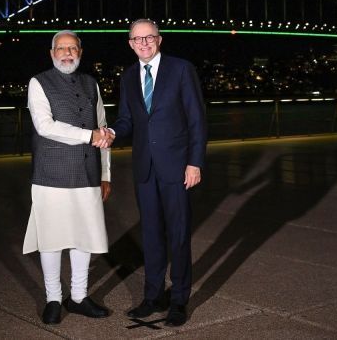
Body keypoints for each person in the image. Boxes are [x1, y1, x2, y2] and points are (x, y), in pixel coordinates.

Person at [108, 19, 207, 326]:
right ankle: (152, 296)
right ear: (130, 44)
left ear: (159, 39)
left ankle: (178, 299)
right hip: (145, 168)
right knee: (150, 235)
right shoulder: (127, 77)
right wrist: (111, 131)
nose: (144, 43)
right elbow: (127, 120)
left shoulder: (180, 69)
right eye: (138, 39)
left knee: (178, 235)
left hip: (177, 167)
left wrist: (195, 162)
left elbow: (196, 118)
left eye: (149, 37)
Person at [22, 30, 115, 325]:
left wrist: (105, 173)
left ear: (80, 52)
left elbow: (103, 127)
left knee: (83, 236)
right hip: (51, 172)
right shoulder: (38, 82)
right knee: (51, 238)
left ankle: (78, 297)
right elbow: (45, 126)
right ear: (51, 54)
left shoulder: (91, 83)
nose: (67, 52)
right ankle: (52, 298)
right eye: (61, 48)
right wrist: (89, 136)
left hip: (87, 172)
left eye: (72, 48)